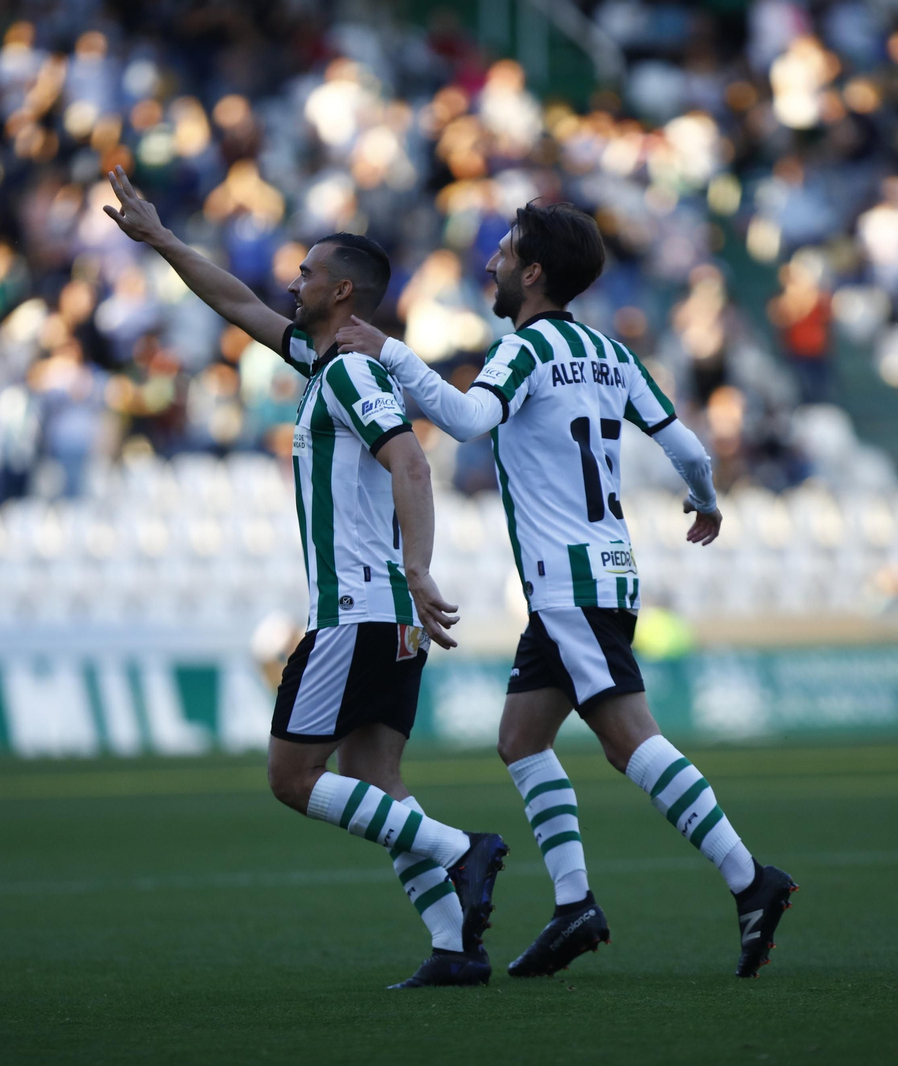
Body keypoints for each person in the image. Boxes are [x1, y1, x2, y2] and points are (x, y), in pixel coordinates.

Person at [338, 201, 797, 979]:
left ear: (534, 273)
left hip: (567, 584)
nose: (491, 265)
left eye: (504, 254)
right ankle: (574, 904)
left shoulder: (523, 350)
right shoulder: (610, 351)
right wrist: (708, 501)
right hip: (606, 574)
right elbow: (684, 443)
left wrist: (391, 350)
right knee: (521, 738)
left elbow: (464, 420)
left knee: (630, 740)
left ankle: (751, 880)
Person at [104, 167, 508, 989]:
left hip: (356, 611)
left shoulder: (353, 375)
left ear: (343, 291)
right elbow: (239, 306)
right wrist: (165, 240)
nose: (291, 281)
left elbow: (411, 463)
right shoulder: (324, 362)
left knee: (293, 780)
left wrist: (419, 567)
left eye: (307, 273)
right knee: (375, 780)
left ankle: (460, 848)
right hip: (381, 616)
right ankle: (455, 948)